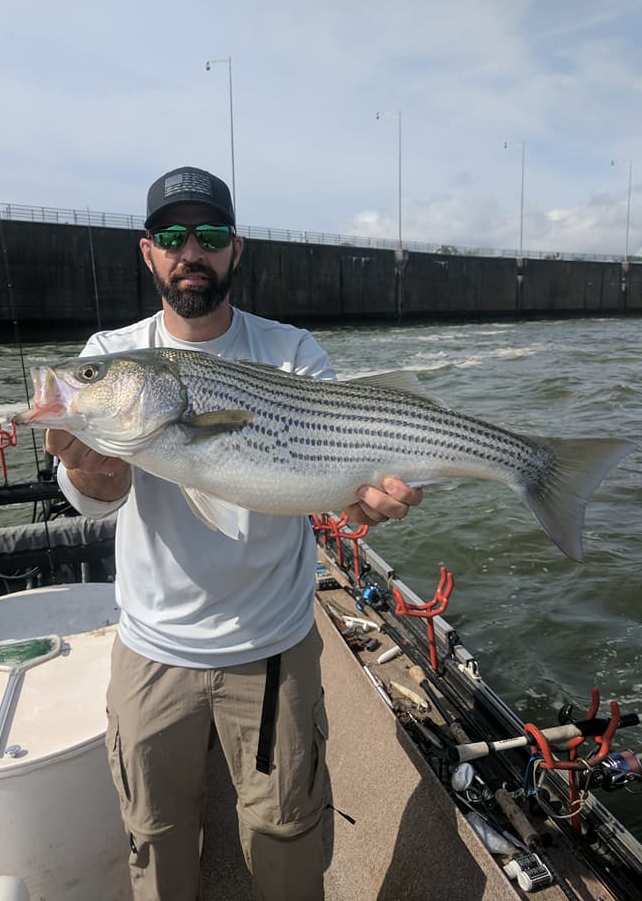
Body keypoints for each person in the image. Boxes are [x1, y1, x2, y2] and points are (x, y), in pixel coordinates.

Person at [46, 166, 422, 901]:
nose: (193, 251)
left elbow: (338, 474)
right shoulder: (114, 350)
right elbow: (97, 498)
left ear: (235, 251)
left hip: (272, 645)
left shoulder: (291, 353)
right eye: (173, 236)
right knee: (155, 842)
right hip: (152, 648)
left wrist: (368, 501)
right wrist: (89, 467)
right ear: (147, 252)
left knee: (287, 840)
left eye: (211, 235)